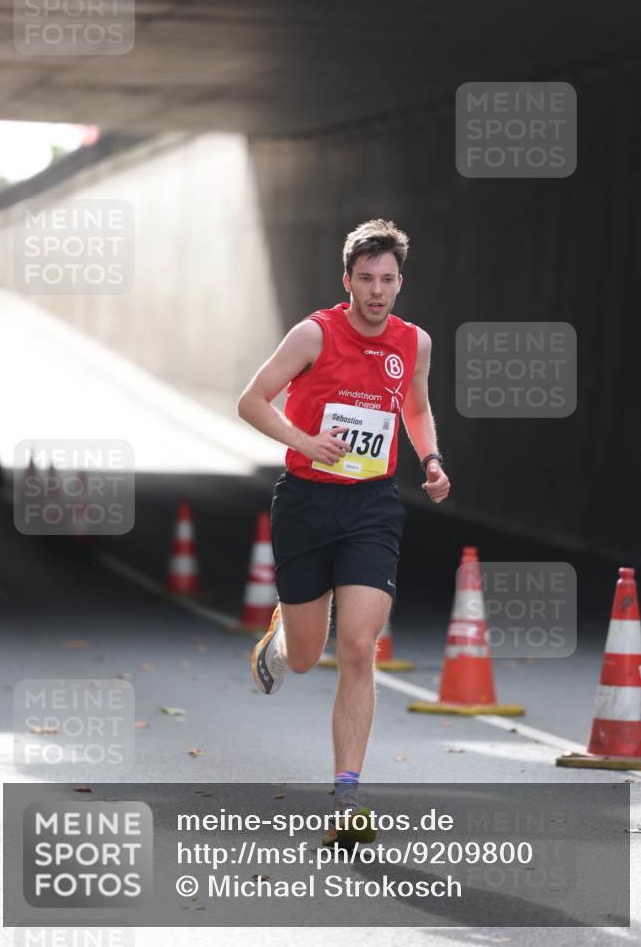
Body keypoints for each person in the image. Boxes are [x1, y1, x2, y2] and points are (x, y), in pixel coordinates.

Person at [237, 219, 450, 844]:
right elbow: (252, 400)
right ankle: (282, 636)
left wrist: (431, 459)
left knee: (359, 646)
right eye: (366, 280)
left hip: (371, 507)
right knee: (306, 659)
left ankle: (347, 796)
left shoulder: (416, 344)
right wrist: (305, 441)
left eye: (387, 280)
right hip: (305, 503)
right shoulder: (313, 334)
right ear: (348, 282)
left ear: (399, 283)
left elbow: (414, 405)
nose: (377, 292)